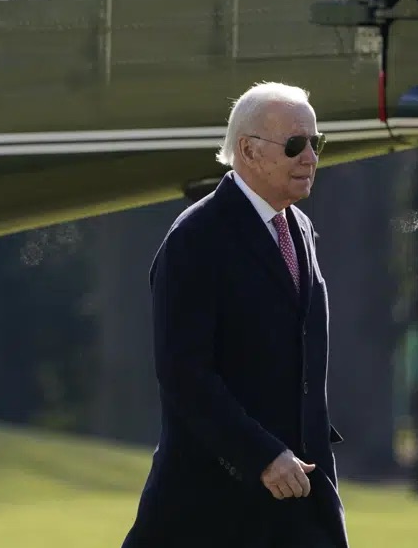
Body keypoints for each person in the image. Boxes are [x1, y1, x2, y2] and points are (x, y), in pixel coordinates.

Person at [120, 82, 347, 548]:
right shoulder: (195, 238)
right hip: (213, 510)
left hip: (300, 504)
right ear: (247, 149)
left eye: (316, 143)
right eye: (294, 145)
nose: (310, 158)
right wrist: (262, 455)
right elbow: (184, 374)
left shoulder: (299, 228)